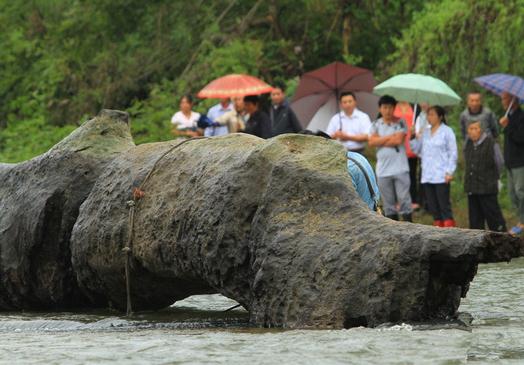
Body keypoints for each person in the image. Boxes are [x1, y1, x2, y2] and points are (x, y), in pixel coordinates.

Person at [299, 130, 380, 211]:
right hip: (374, 209)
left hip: (362, 218)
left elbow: (340, 207)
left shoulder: (342, 171)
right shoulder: (356, 156)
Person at [411, 106, 458, 227]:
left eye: (432, 114)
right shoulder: (425, 132)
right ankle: (438, 228)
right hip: (427, 174)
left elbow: (453, 153)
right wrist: (412, 136)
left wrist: (449, 172)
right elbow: (417, 150)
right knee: (433, 206)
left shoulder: (447, 131)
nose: (429, 117)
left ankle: (449, 229)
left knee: (444, 206)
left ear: (440, 117)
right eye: (428, 115)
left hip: (442, 175)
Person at [368, 95, 412, 221]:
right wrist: (389, 137)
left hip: (400, 168)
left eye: (390, 107)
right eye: (385, 107)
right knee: (388, 203)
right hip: (383, 170)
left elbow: (398, 140)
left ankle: (409, 226)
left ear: (394, 108)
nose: (387, 110)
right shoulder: (375, 124)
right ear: (380, 109)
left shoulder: (400, 122)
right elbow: (371, 142)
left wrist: (379, 140)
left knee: (404, 199)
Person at [463, 120, 506, 232]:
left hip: (488, 189)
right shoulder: (468, 144)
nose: (473, 132)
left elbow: (500, 163)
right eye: (470, 129)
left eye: (476, 128)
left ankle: (501, 242)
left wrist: (492, 178)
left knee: (494, 219)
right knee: (475, 222)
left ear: (481, 130)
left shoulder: (491, 143)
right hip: (472, 188)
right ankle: (478, 246)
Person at [499, 92, 524, 235]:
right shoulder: (508, 116)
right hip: (509, 161)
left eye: (505, 98)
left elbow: (520, 138)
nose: (503, 101)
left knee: (521, 192)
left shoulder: (521, 116)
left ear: (513, 100)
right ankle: (520, 219)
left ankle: (522, 222)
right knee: (512, 194)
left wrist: (508, 126)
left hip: (520, 161)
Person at [394, 101, 420, 211]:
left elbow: (420, 123)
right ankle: (399, 201)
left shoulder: (414, 106)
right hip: (397, 146)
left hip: (411, 146)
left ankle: (413, 200)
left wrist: (416, 130)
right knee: (397, 175)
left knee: (411, 175)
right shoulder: (393, 106)